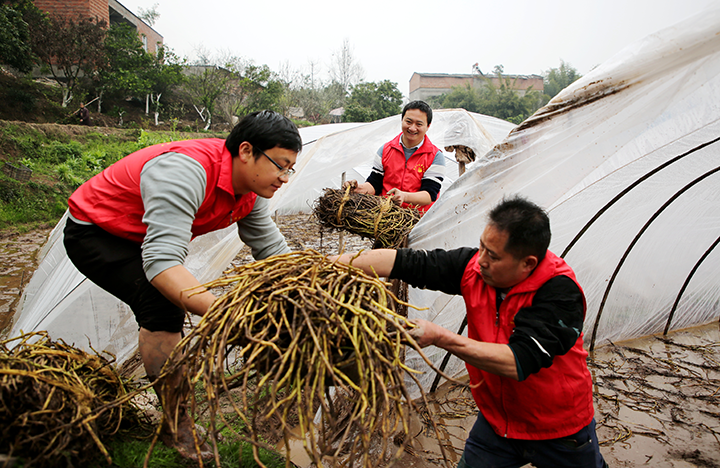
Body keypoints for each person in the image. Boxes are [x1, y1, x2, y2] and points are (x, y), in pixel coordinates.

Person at [63, 110, 302, 460]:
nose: (284, 177)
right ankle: (178, 422)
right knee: (160, 304)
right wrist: (227, 315)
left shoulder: (251, 189)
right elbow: (161, 263)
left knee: (166, 300)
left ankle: (176, 414)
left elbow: (272, 250)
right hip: (97, 232)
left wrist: (309, 287)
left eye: (290, 169)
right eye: (280, 165)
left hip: (143, 233)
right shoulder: (185, 172)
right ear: (247, 151)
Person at [331, 195, 607, 468]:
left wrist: (441, 337)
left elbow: (518, 360)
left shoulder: (558, 292)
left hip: (558, 429)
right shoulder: (473, 267)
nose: (481, 261)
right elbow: (408, 262)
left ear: (528, 263)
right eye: (482, 247)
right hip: (497, 423)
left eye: (493, 256)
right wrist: (329, 264)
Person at [347, 100, 445, 213]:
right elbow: (375, 184)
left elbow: (429, 195)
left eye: (419, 124)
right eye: (408, 122)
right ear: (402, 120)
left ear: (428, 126)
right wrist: (358, 188)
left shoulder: (435, 156)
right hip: (385, 217)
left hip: (416, 219)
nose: (412, 128)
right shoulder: (385, 150)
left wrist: (404, 196)